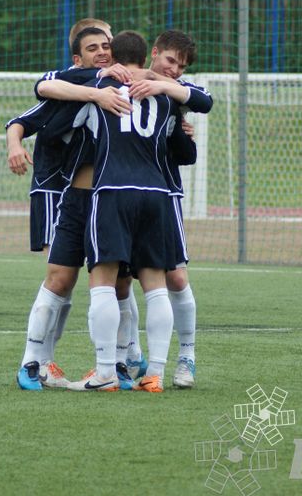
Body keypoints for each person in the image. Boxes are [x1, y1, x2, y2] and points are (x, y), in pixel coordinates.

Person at [59, 31, 185, 393]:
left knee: (103, 281)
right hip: (157, 193)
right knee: (156, 286)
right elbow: (184, 135)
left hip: (112, 191)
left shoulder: (102, 91)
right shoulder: (165, 96)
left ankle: (104, 373)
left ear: (113, 55)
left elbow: (60, 126)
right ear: (147, 57)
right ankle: (155, 373)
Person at [7, 25, 132, 391]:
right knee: (61, 278)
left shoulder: (131, 90)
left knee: (121, 281)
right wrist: (14, 144)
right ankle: (34, 362)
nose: (103, 52)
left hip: (113, 200)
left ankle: (122, 363)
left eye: (107, 46)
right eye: (93, 48)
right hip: (66, 196)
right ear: (78, 59)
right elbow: (31, 105)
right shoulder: (70, 92)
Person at [115, 29, 208, 388]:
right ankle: (129, 352)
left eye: (181, 66)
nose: (175, 70)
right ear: (154, 52)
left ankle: (187, 356)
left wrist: (179, 125)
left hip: (163, 195)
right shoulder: (118, 81)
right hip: (120, 195)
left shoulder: (176, 91)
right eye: (170, 61)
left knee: (176, 277)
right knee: (120, 281)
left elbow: (202, 106)